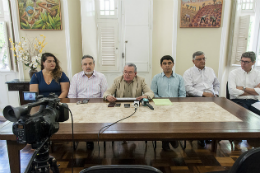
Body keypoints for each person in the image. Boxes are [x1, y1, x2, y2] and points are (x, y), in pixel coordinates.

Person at [68, 55, 108, 150]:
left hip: (96, 107)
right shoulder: (76, 77)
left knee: (93, 117)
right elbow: (71, 96)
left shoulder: (101, 77)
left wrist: (98, 107)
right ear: (82, 66)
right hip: (79, 106)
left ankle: (90, 139)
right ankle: (78, 138)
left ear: (94, 65)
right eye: (85, 64)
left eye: (90, 63)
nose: (88, 66)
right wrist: (77, 107)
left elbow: (104, 95)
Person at [183, 51, 220, 147]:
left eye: (204, 59)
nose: (202, 61)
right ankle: (201, 137)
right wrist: (203, 94)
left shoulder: (211, 70)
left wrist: (215, 94)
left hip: (212, 98)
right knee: (201, 116)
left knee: (216, 116)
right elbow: (188, 88)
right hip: (195, 98)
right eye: (199, 59)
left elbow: (216, 84)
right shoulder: (188, 72)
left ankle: (212, 135)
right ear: (193, 61)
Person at [151, 55, 186, 151]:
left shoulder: (179, 78)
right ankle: (166, 142)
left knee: (174, 123)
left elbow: (182, 94)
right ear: (161, 65)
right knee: (163, 124)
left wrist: (177, 105)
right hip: (161, 106)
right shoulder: (156, 78)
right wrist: (162, 102)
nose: (167, 65)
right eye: (164, 63)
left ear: (173, 64)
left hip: (176, 106)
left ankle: (172, 138)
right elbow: (153, 93)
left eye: (169, 63)